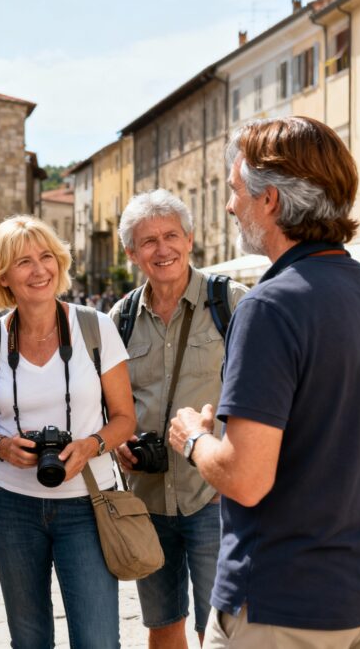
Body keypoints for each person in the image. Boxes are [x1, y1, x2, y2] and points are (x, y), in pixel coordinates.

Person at [169, 116, 360, 648]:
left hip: (282, 602)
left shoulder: (270, 306)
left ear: (269, 201)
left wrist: (194, 440)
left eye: (235, 191)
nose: (229, 207)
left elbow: (246, 478)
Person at [0, 215, 136, 648]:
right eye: (23, 261)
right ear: (3, 276)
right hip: (10, 506)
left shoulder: (96, 328)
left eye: (46, 257)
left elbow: (125, 419)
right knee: (28, 638)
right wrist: (2, 446)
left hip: (89, 503)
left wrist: (91, 445)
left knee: (97, 639)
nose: (39, 270)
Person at [110, 190, 247, 648]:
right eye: (148, 241)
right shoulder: (120, 319)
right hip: (147, 500)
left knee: (222, 629)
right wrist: (117, 444)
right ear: (131, 252)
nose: (162, 249)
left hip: (215, 497)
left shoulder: (232, 303)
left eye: (171, 235)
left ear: (190, 240)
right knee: (161, 624)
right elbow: (110, 407)